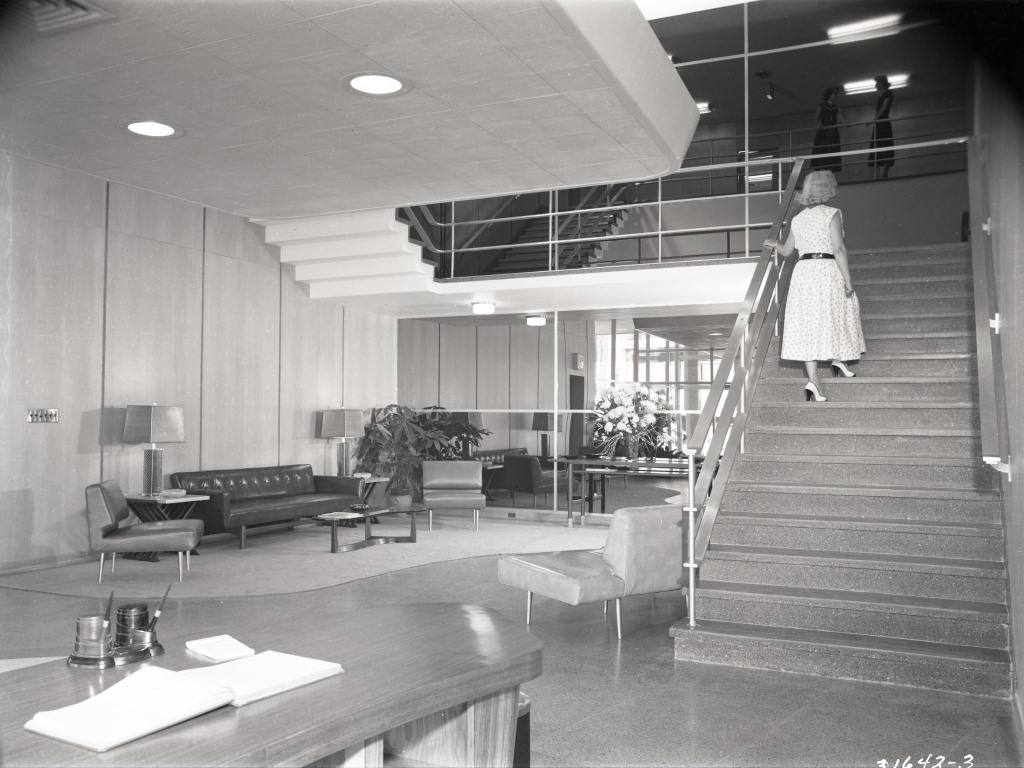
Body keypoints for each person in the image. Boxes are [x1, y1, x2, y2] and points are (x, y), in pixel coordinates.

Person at [765, 170, 865, 402]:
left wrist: (774, 244)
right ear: (827, 189)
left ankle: (815, 381)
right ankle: (838, 360)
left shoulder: (798, 219)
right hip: (826, 269)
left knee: (809, 323)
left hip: (804, 272)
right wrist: (848, 280)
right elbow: (838, 249)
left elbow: (788, 251)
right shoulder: (832, 213)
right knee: (836, 313)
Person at [809, 86, 843, 173]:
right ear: (829, 94)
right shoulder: (821, 106)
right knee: (822, 150)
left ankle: (830, 169)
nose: (835, 96)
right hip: (823, 131)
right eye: (834, 93)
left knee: (832, 149)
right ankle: (822, 168)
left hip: (833, 131)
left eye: (836, 94)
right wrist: (819, 125)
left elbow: (840, 117)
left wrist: (846, 123)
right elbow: (816, 119)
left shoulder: (836, 107)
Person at [868, 75, 894, 178]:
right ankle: (878, 174)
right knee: (878, 145)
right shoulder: (879, 95)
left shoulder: (888, 93)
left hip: (883, 122)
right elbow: (878, 109)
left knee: (885, 145)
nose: (875, 85)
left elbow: (883, 109)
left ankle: (884, 174)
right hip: (879, 123)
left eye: (877, 82)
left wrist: (874, 119)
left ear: (882, 83)